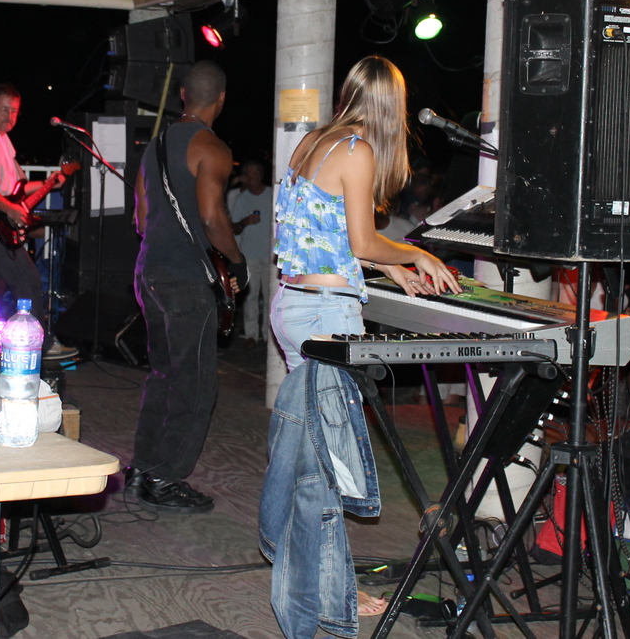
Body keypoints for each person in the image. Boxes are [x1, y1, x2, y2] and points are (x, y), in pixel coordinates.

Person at [261, 56, 461, 632]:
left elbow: (321, 237)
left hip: (294, 304)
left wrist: (390, 269)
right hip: (325, 316)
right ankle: (326, 600)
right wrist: (416, 253)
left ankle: (329, 591)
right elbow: (362, 240)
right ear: (391, 106)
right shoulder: (359, 151)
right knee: (325, 470)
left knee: (316, 464)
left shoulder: (315, 143)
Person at [129, 61, 246, 514]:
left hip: (148, 273)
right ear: (222, 99)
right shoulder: (212, 148)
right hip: (184, 280)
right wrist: (237, 262)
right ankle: (165, 477)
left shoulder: (154, 147)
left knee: (163, 375)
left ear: (182, 94)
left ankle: (142, 466)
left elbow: (141, 220)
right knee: (196, 385)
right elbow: (213, 218)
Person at [0, 83, 72, 355]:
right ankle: (41, 346)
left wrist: (47, 184)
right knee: (29, 283)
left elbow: (15, 187)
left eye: (14, 111)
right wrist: (10, 210)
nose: (9, 116)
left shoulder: (1, 139)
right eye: (4, 109)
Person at [228, 157, 272, 344]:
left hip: (270, 254)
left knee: (270, 297)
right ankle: (251, 334)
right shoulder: (241, 199)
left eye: (257, 173)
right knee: (251, 296)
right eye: (250, 173)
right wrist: (245, 221)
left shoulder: (272, 194)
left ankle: (269, 336)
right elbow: (234, 228)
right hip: (249, 254)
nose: (253, 177)